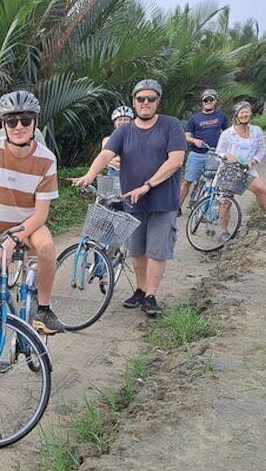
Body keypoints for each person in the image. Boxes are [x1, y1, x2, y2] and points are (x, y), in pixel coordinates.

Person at [73, 79, 185, 317]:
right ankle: (140, 291)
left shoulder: (170, 125)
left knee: (157, 250)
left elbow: (175, 160)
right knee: (137, 250)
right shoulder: (123, 130)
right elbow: (106, 154)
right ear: (134, 102)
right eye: (140, 99)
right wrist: (90, 174)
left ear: (158, 102)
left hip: (162, 200)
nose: (145, 103)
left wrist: (148, 185)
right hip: (132, 202)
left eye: (150, 99)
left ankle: (151, 296)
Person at [0, 89, 64, 339]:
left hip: (27, 223)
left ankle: (44, 309)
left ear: (35, 123)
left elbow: (41, 214)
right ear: (4, 124)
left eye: (25, 120)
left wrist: (13, 239)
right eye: (12, 121)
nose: (18, 126)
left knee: (46, 247)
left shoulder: (46, 159)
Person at [215, 101, 266, 235]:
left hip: (248, 169)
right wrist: (227, 155)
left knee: (261, 190)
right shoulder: (228, 134)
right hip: (231, 171)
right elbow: (218, 153)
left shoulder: (257, 131)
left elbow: (261, 150)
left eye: (247, 112)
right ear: (236, 115)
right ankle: (223, 230)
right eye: (242, 112)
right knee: (226, 201)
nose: (245, 114)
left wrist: (254, 160)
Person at [179, 89, 228, 212]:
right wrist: (194, 140)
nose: (208, 102)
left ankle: (209, 208)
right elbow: (186, 136)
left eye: (211, 99)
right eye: (206, 100)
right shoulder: (194, 118)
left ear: (215, 101)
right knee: (187, 181)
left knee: (215, 183)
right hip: (197, 154)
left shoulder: (221, 116)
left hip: (215, 154)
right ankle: (177, 207)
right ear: (202, 102)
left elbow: (227, 134)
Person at [102, 106, 135, 176]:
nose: (122, 122)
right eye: (119, 119)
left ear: (131, 122)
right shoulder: (107, 139)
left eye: (126, 119)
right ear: (115, 123)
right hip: (113, 174)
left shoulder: (137, 138)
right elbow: (104, 160)